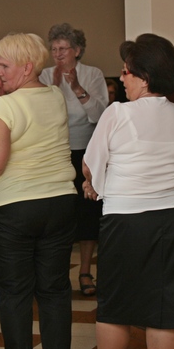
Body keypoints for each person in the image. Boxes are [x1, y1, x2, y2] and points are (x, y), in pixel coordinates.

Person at [82, 33, 174, 349]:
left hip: (127, 221)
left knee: (115, 307)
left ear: (144, 77)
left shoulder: (118, 113)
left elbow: (90, 165)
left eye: (126, 71)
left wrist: (93, 183)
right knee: (166, 309)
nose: (121, 78)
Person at [0, 33, 77, 349]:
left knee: (15, 296)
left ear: (27, 67)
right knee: (55, 292)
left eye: (4, 66)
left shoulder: (6, 106)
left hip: (14, 208)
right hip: (60, 202)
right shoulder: (55, 95)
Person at [39, 23, 108, 297]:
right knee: (58, 215)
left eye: (63, 49)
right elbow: (41, 116)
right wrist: (55, 87)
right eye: (54, 49)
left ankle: (85, 271)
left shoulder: (93, 74)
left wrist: (76, 87)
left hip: (86, 152)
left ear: (77, 50)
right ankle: (56, 274)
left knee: (87, 214)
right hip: (55, 152)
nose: (57, 54)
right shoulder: (44, 76)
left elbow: (100, 115)